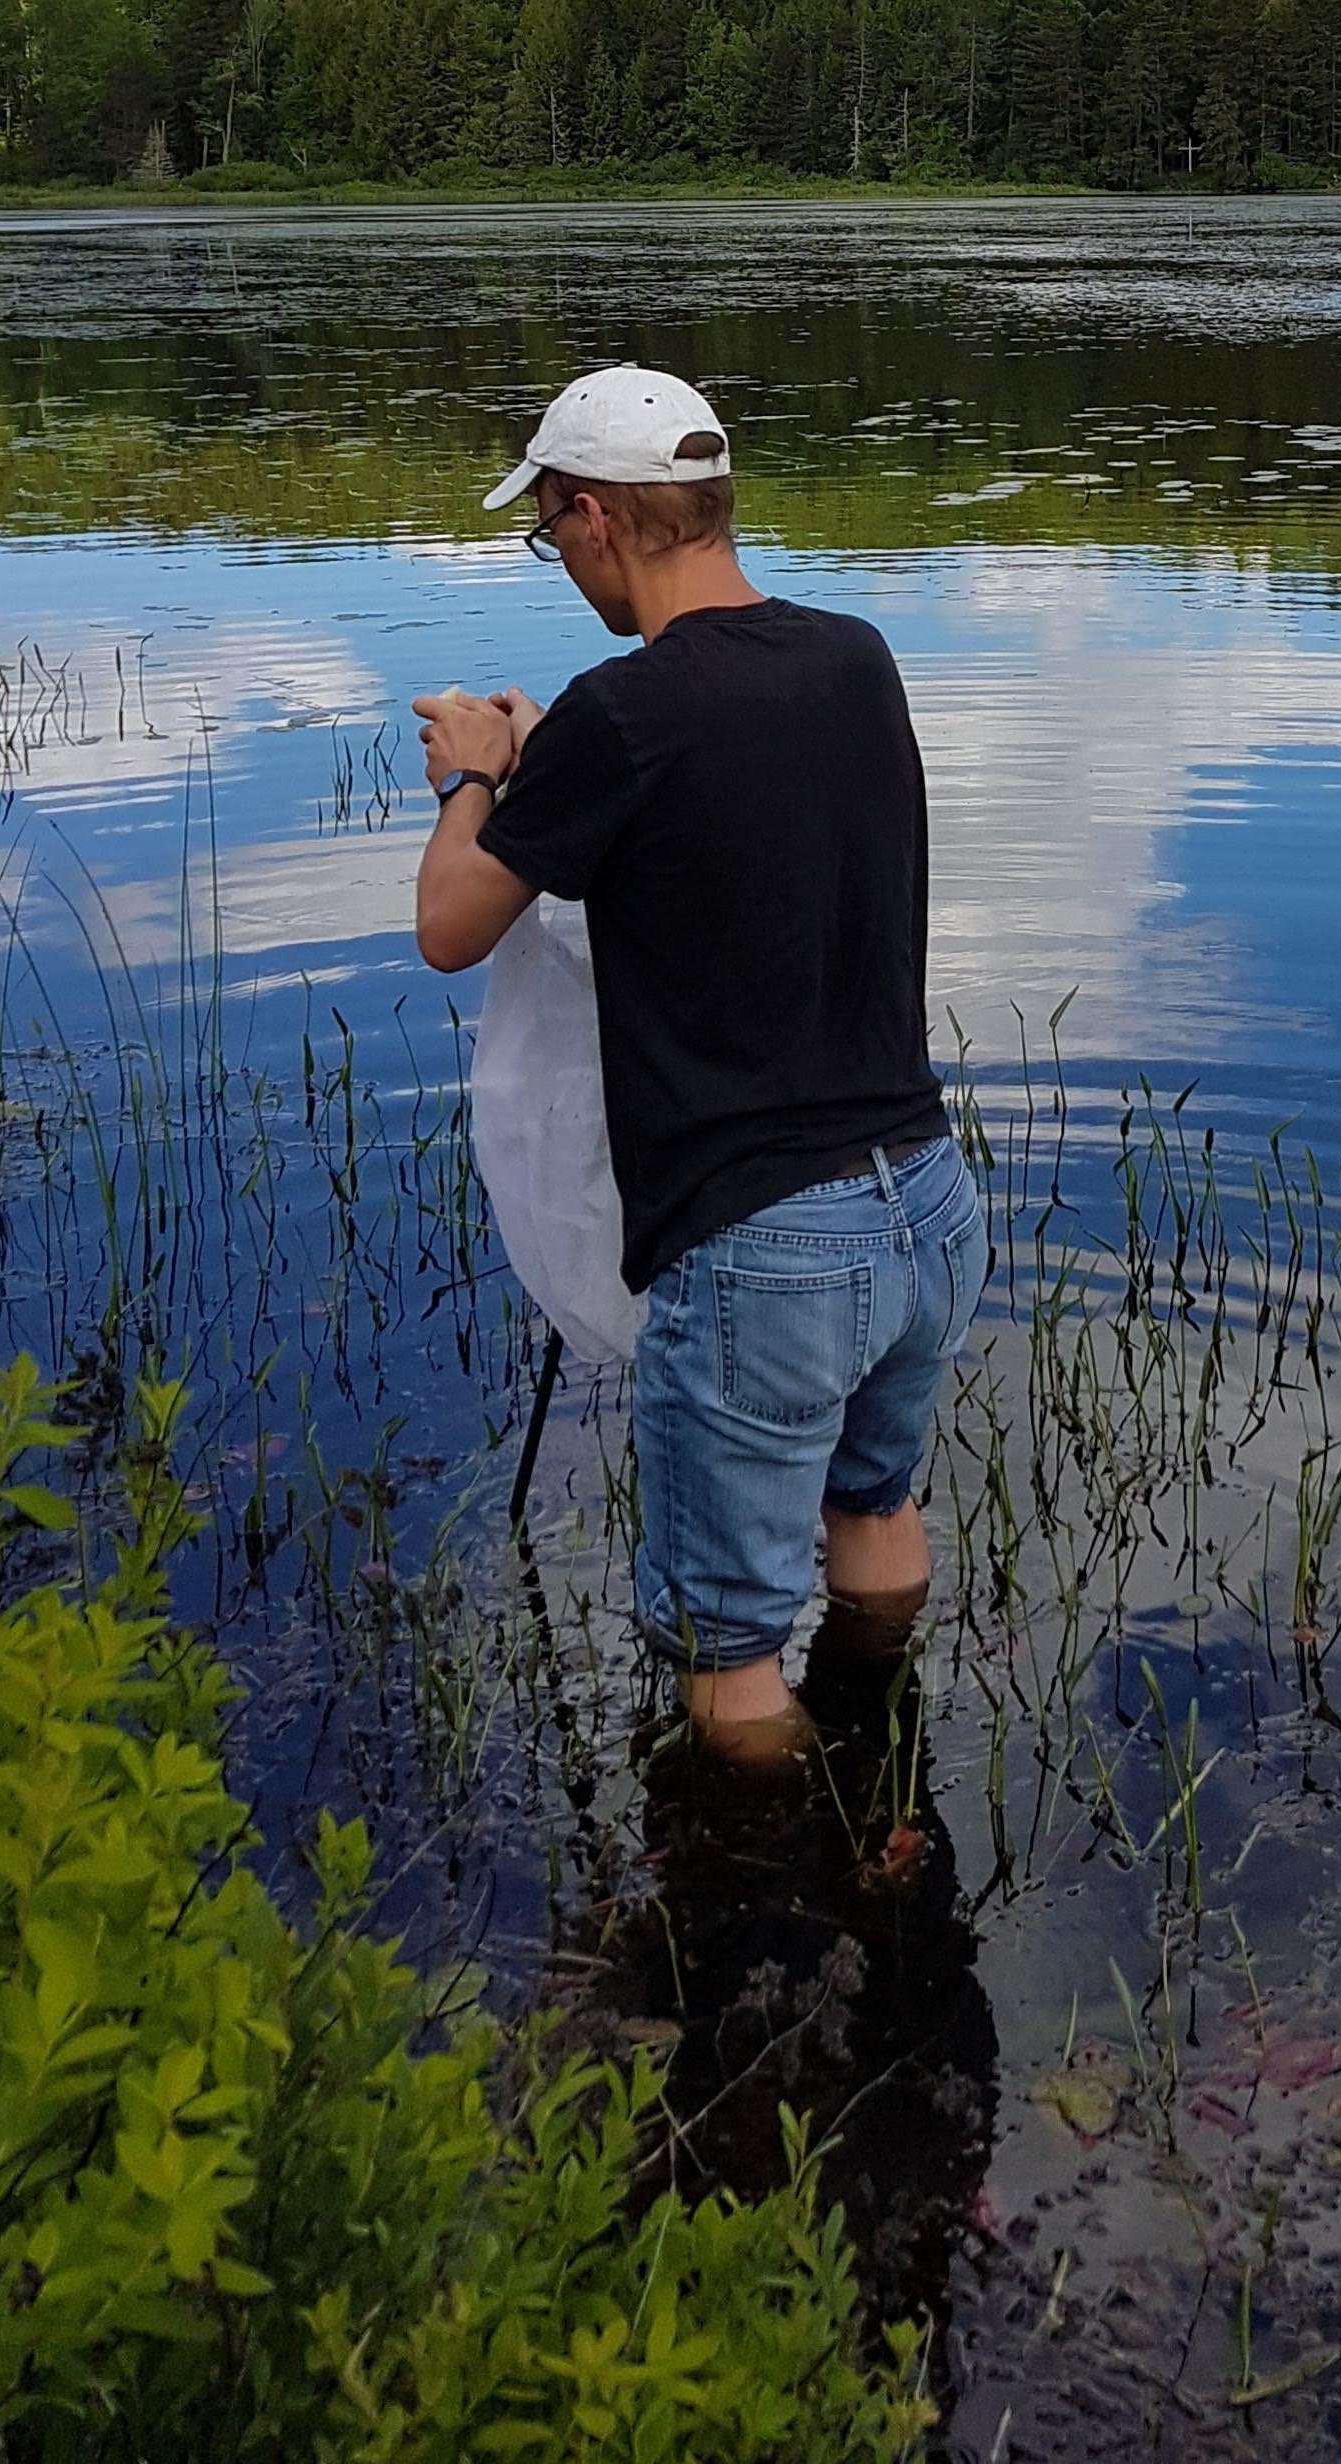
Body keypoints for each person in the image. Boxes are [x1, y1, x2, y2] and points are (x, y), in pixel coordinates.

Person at [410, 362, 983, 1763]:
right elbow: (721, 804)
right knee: (872, 1507)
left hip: (772, 1248)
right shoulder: (854, 657)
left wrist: (476, 776)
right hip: (925, 1203)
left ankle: (773, 1869)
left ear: (596, 518)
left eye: (549, 531)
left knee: (727, 1658)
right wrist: (557, 768)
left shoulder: (622, 712)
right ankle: (888, 1784)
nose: (560, 560)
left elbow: (450, 927)